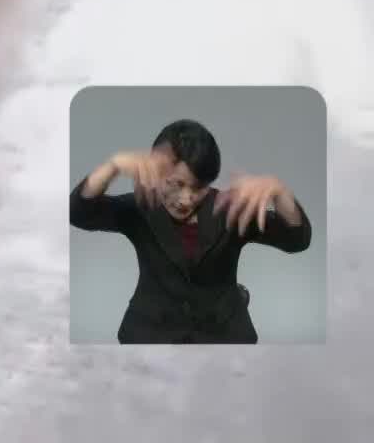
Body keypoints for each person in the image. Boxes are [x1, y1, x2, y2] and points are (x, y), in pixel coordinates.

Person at [71, 119, 311, 344]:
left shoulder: (230, 209)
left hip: (225, 338)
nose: (185, 199)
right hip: (150, 335)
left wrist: (279, 192)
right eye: (176, 184)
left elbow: (296, 240)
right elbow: (78, 213)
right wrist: (112, 167)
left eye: (198, 188)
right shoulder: (141, 207)